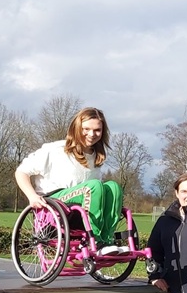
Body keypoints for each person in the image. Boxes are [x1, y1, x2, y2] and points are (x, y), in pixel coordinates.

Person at [14, 107, 125, 253]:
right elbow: (21, 172)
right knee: (94, 186)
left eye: (97, 130)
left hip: (81, 203)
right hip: (54, 201)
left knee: (113, 187)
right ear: (77, 127)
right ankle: (96, 241)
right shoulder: (55, 149)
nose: (92, 134)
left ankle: (106, 240)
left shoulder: (95, 156)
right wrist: (32, 196)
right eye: (86, 129)